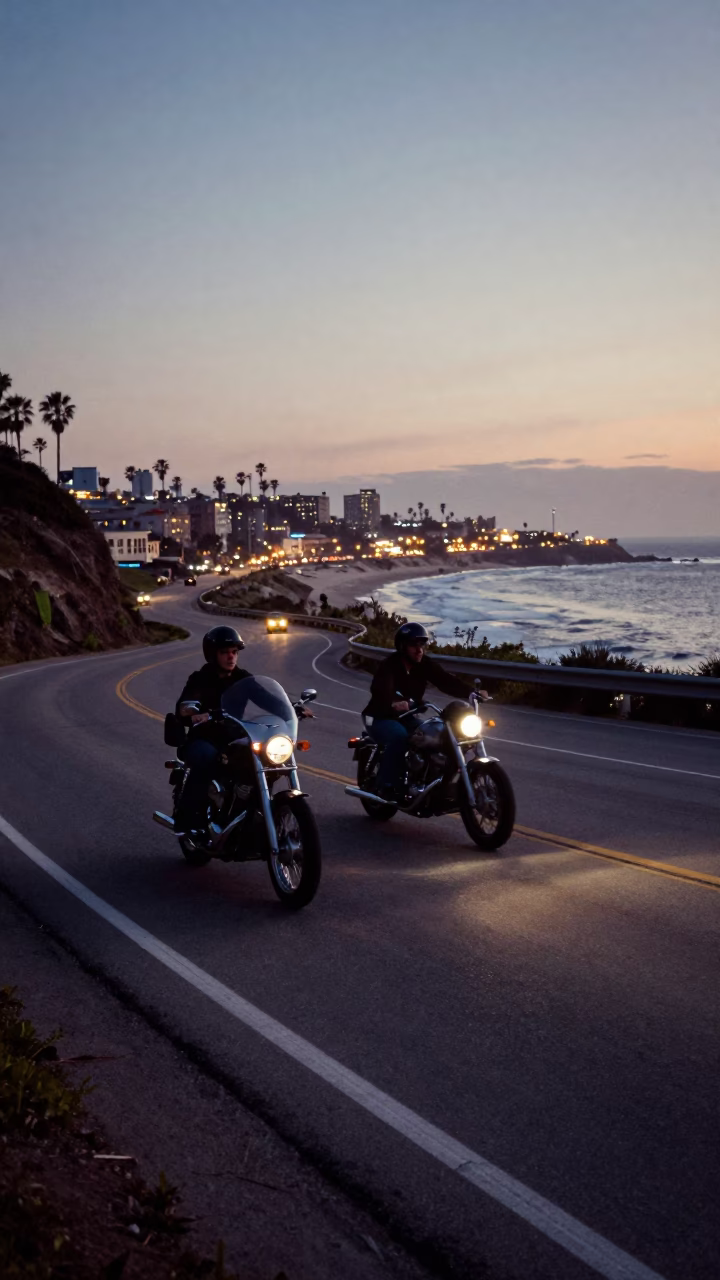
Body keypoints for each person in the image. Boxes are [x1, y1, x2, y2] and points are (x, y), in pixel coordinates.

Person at [363, 622, 475, 799]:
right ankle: (387, 785)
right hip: (378, 716)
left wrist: (471, 692)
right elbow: (380, 688)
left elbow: (445, 680)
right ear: (402, 646)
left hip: (405, 717)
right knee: (399, 737)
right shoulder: (389, 665)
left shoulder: (424, 664)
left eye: (421, 645)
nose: (419, 650)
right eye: (413, 645)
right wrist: (394, 701)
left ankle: (428, 782)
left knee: (431, 737)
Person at [174, 625, 251, 833]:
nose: (231, 657)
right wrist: (193, 712)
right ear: (213, 654)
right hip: (204, 738)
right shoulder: (200, 678)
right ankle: (188, 818)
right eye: (225, 652)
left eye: (234, 652)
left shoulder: (242, 677)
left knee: (263, 758)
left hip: (233, 738)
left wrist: (291, 707)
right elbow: (185, 705)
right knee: (206, 759)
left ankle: (251, 809)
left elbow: (264, 695)